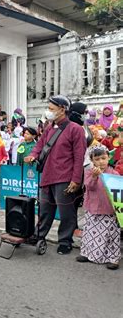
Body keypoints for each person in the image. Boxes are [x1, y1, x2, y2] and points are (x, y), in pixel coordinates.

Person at [24, 95, 86, 255]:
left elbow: (79, 157)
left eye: (51, 109)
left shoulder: (76, 129)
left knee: (66, 212)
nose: (48, 111)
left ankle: (65, 241)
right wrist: (33, 155)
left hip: (65, 178)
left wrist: (76, 179)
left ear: (62, 110)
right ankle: (39, 235)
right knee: (44, 209)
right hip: (47, 175)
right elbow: (39, 145)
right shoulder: (49, 128)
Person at [76, 146, 120, 270]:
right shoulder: (90, 173)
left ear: (109, 158)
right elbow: (89, 186)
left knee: (111, 235)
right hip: (92, 208)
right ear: (92, 161)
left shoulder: (114, 173)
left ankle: (113, 258)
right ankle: (87, 253)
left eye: (103, 158)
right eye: (97, 159)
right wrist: (95, 177)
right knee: (90, 233)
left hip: (108, 210)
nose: (101, 161)